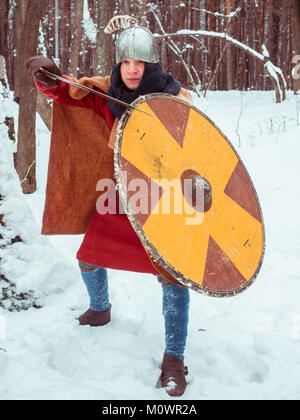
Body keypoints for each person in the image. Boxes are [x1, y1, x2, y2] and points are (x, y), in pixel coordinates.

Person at [25, 20, 191, 397]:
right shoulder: (108, 94)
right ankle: (100, 309)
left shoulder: (175, 99)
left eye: (140, 63)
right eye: (126, 62)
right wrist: (48, 77)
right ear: (119, 64)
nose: (133, 69)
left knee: (172, 277)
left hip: (162, 200)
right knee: (88, 256)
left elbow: (199, 151)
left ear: (151, 65)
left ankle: (174, 361)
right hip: (121, 194)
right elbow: (69, 94)